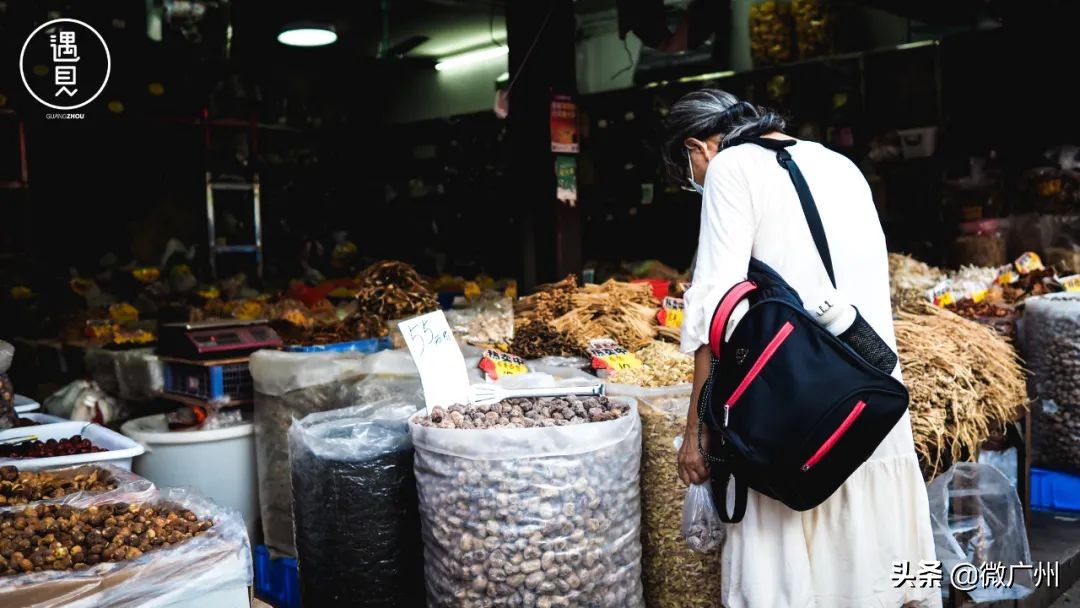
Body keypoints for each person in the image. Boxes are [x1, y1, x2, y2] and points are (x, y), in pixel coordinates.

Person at [667, 89, 940, 608]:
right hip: (869, 398)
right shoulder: (840, 164)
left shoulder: (729, 168)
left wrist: (696, 432)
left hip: (794, 414)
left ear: (696, 148)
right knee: (873, 573)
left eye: (689, 174)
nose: (696, 182)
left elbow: (714, 314)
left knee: (793, 569)